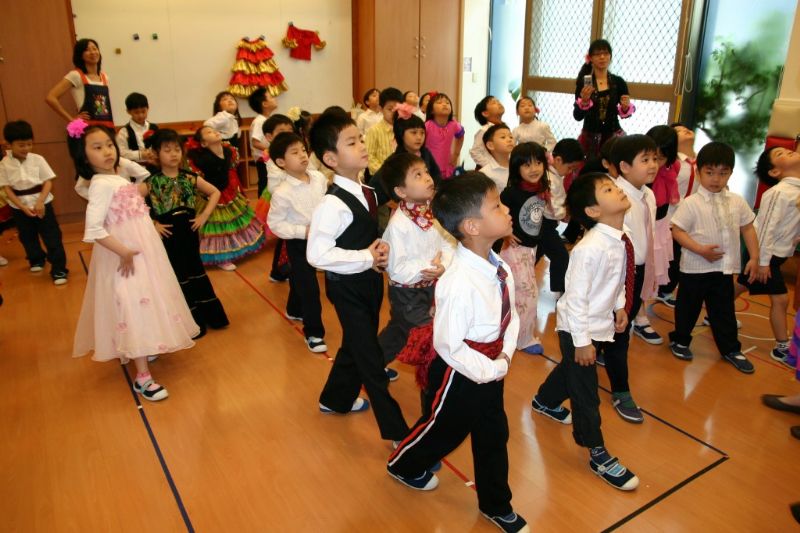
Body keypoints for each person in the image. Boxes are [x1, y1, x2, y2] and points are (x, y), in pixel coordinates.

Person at [388, 173, 529, 533]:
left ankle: (496, 504)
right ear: (472, 227)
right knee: (445, 429)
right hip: (461, 371)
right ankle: (403, 464)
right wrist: (491, 369)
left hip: (492, 364)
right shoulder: (458, 281)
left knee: (493, 433)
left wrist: (505, 356)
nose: (506, 210)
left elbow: (510, 316)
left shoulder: (499, 266)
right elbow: (448, 345)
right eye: (496, 206)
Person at [67, 119, 199, 401]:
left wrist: (123, 162)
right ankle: (143, 378)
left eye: (109, 145)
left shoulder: (116, 176)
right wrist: (124, 251)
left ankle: (144, 345)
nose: (107, 151)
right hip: (124, 255)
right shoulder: (100, 185)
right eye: (97, 147)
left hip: (144, 250)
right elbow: (93, 230)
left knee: (146, 299)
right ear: (83, 156)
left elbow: (143, 175)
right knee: (132, 304)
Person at [533, 172, 640, 490]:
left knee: (572, 370)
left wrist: (619, 306)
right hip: (577, 328)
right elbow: (576, 298)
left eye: (614, 185)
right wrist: (581, 342)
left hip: (600, 323)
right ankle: (597, 451)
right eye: (608, 188)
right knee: (586, 392)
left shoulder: (620, 238)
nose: (617, 189)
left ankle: (544, 400)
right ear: (593, 210)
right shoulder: (589, 249)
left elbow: (617, 279)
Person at [306, 110, 409, 442]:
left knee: (355, 343)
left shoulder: (368, 191)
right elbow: (316, 254)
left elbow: (367, 236)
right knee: (370, 359)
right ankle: (398, 436)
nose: (362, 145)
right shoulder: (331, 205)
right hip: (346, 288)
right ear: (330, 159)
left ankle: (334, 399)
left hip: (369, 282)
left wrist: (377, 254)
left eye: (360, 139)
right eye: (352, 142)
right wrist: (366, 256)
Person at [668, 142, 763, 373]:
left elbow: (748, 228)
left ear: (730, 173)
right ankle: (680, 340)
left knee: (723, 310)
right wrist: (700, 249)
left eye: (723, 173)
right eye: (710, 172)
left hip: (723, 269)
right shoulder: (691, 203)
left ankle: (730, 349)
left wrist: (754, 257)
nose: (716, 179)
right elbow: (677, 231)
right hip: (694, 269)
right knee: (688, 307)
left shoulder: (736, 201)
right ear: (699, 172)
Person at [596, 134, 659, 423]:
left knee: (616, 329)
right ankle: (621, 391)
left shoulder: (648, 194)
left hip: (639, 270)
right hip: (621, 274)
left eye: (655, 158)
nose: (653, 165)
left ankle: (549, 395)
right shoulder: (616, 197)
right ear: (623, 166)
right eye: (645, 160)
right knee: (619, 334)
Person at [144, 129, 228, 338]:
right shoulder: (151, 182)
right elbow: (131, 203)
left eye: (177, 149)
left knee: (196, 270)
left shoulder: (190, 177)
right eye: (167, 150)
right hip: (168, 235)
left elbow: (215, 192)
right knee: (178, 273)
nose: (173, 154)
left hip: (189, 232)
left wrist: (204, 216)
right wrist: (153, 223)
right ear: (156, 153)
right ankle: (190, 322)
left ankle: (211, 316)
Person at [378, 152, 454, 370]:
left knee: (399, 333)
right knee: (428, 335)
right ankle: (432, 380)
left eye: (426, 172)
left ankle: (372, 367)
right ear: (401, 192)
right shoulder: (399, 225)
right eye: (417, 175)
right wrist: (430, 266)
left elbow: (448, 243)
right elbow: (397, 269)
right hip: (407, 294)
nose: (428, 178)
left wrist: (444, 265)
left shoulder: (432, 212)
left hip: (432, 286)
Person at [736, 146, 800, 366]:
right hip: (764, 254)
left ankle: (716, 310)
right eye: (780, 154)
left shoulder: (796, 189)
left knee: (743, 283)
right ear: (774, 172)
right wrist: (761, 262)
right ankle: (782, 347)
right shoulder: (778, 192)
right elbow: (765, 229)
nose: (788, 152)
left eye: (787, 150)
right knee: (781, 299)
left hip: (775, 255)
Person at [266, 132, 328, 353]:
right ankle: (314, 333)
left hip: (322, 239)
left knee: (302, 281)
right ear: (281, 162)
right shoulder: (282, 193)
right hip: (298, 243)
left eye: (303, 149)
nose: (302, 155)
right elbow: (275, 224)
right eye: (295, 152)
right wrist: (303, 232)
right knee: (309, 287)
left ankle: (293, 308)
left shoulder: (318, 178)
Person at [186, 126, 266, 271]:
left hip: (228, 191)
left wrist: (238, 190)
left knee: (233, 222)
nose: (214, 132)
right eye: (209, 132)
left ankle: (234, 247)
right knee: (218, 226)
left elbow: (231, 173)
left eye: (214, 130)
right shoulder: (202, 160)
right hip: (211, 195)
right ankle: (221, 257)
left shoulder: (229, 151)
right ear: (204, 143)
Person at [0, 120, 68, 284]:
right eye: (21, 145)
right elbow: (7, 188)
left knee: (52, 236)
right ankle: (36, 259)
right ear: (9, 144)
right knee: (27, 236)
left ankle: (59, 269)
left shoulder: (37, 159)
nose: (26, 148)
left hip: (42, 203)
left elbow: (48, 182)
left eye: (29, 144)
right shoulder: (4, 164)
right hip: (19, 206)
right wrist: (22, 207)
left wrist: (40, 202)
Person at [500, 142, 551, 355]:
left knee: (517, 291)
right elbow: (499, 214)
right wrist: (505, 232)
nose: (534, 169)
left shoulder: (542, 189)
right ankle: (523, 338)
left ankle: (508, 331)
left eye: (538, 162)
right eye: (527, 165)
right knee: (527, 292)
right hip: (513, 249)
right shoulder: (511, 193)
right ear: (516, 168)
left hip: (530, 249)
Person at [657, 123, 699, 307]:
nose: (685, 130)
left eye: (686, 128)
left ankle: (669, 287)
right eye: (679, 131)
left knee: (682, 256)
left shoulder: (700, 162)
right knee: (671, 256)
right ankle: (663, 289)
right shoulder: (672, 163)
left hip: (692, 218)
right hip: (671, 217)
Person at [573, 39, 634, 158]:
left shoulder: (618, 82)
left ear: (610, 57)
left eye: (605, 53)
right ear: (590, 58)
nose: (602, 57)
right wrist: (584, 101)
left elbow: (625, 114)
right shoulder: (584, 83)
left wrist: (625, 107)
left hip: (613, 138)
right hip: (590, 139)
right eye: (597, 54)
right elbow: (577, 116)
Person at [46, 38, 114, 127]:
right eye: (87, 50)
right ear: (80, 55)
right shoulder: (75, 75)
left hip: (107, 127)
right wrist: (71, 120)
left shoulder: (105, 77)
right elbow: (50, 97)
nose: (92, 52)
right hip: (87, 128)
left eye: (94, 48)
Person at [424, 93, 464, 179]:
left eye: (447, 103)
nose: (444, 104)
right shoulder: (427, 125)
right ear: (431, 111)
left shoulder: (454, 124)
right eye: (439, 102)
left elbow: (461, 136)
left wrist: (456, 154)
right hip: (430, 166)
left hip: (447, 165)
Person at [247, 87, 279, 197]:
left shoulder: (266, 120)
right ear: (265, 104)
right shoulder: (260, 121)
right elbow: (255, 142)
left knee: (268, 183)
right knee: (265, 184)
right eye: (271, 97)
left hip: (267, 158)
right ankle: (262, 205)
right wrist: (272, 150)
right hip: (263, 159)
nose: (275, 99)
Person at [366, 87, 403, 176]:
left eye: (397, 109)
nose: (394, 113)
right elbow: (369, 157)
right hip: (382, 176)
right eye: (390, 109)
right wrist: (386, 171)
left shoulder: (404, 129)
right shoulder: (374, 130)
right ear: (381, 109)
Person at [116, 92, 158, 166]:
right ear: (128, 112)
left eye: (143, 111)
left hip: (155, 166)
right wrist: (140, 154)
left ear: (148, 109)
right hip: (134, 167)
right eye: (136, 112)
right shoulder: (124, 132)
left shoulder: (154, 128)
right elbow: (121, 153)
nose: (141, 115)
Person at [470, 95, 506, 168]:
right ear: (485, 113)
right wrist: (489, 166)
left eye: (498, 101)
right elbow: (475, 152)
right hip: (488, 171)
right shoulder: (484, 130)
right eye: (494, 103)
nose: (498, 103)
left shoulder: (505, 128)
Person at [479, 123, 515, 191]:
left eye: (511, 137)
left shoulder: (519, 166)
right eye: (503, 137)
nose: (509, 140)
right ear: (490, 145)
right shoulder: (485, 174)